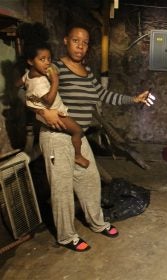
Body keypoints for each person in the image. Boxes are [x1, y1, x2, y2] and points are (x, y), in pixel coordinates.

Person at [35, 23, 150, 252]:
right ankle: (67, 236)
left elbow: (104, 94)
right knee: (62, 190)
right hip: (57, 137)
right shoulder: (53, 68)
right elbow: (29, 89)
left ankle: (96, 222)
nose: (80, 46)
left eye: (85, 42)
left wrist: (133, 99)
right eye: (76, 40)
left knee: (90, 181)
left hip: (79, 137)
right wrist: (42, 111)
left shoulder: (87, 73)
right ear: (66, 41)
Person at [22, 40, 90, 168]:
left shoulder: (29, 75)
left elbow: (21, 81)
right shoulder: (39, 82)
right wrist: (55, 81)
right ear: (30, 61)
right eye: (42, 59)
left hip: (48, 114)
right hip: (56, 114)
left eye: (49, 58)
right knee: (77, 131)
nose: (47, 62)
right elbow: (49, 101)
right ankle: (78, 156)